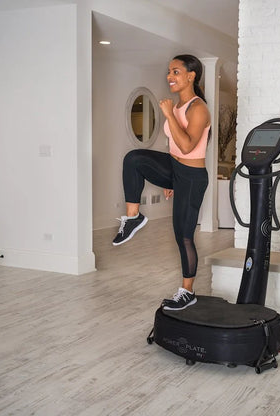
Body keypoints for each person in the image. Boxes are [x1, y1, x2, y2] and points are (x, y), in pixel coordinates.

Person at [112, 54, 211, 311]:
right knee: (134, 159)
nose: (170, 76)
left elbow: (188, 146)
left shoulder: (198, 108)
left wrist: (169, 116)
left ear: (191, 76)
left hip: (191, 177)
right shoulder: (178, 106)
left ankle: (187, 291)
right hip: (176, 169)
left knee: (184, 236)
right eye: (169, 71)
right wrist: (167, 176)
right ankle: (133, 217)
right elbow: (174, 148)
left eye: (176, 72)